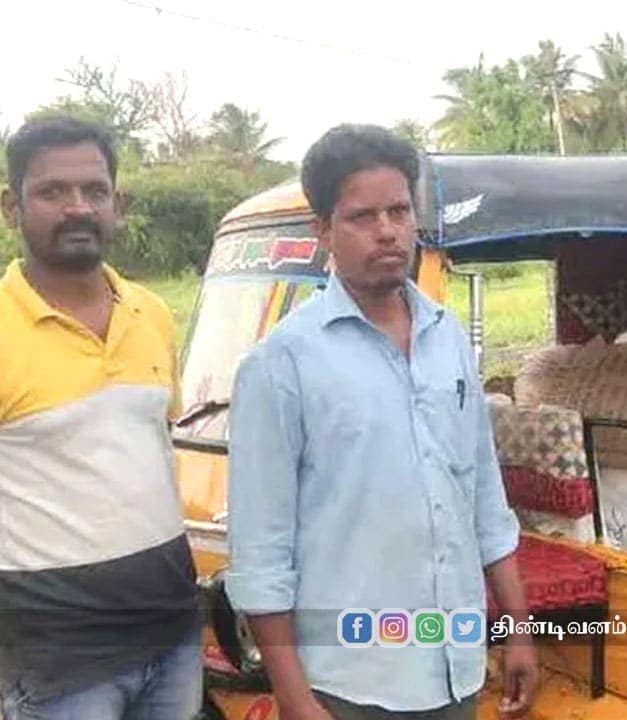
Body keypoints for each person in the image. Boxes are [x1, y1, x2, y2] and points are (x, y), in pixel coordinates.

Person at [225, 123, 537, 720]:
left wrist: (518, 630)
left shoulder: (448, 340)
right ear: (324, 230)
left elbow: (483, 500)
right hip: (349, 684)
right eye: (363, 217)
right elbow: (262, 552)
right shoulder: (281, 363)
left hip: (456, 669)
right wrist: (294, 696)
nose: (388, 230)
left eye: (398, 210)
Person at [0, 116, 202, 719]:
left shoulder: (153, 315)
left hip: (171, 637)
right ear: (12, 208)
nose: (77, 208)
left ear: (118, 205)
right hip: (56, 663)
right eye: (53, 192)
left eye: (94, 191)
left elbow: (150, 457)